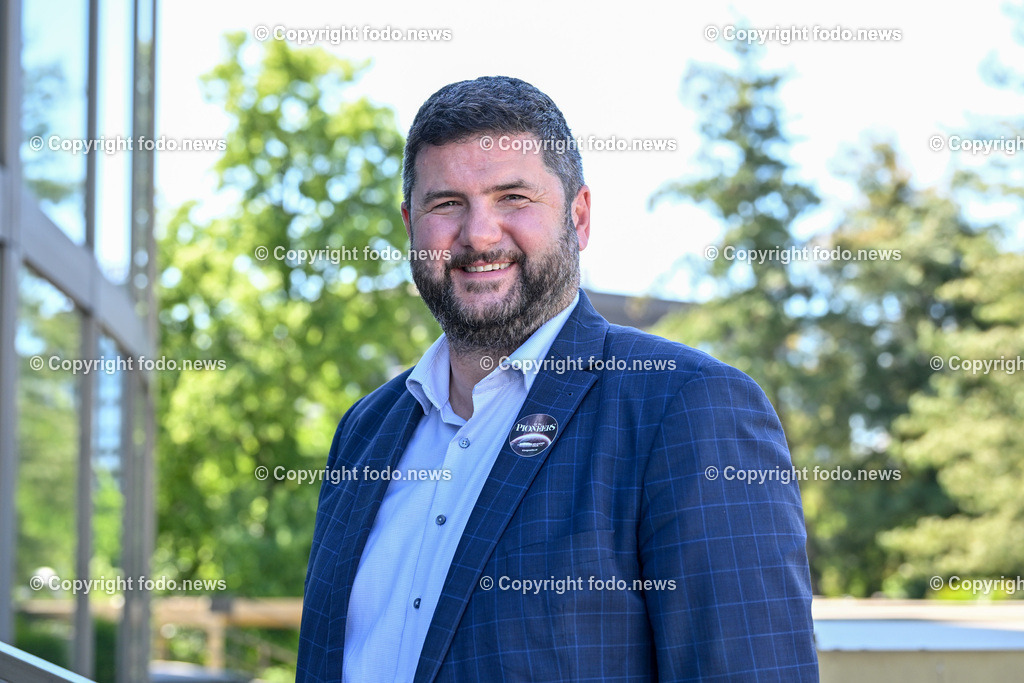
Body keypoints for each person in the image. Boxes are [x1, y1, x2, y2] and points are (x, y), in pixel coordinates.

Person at [297, 76, 818, 682]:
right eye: (447, 205)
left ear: (579, 216)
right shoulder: (364, 432)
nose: (479, 234)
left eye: (513, 197)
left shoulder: (686, 409)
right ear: (411, 224)